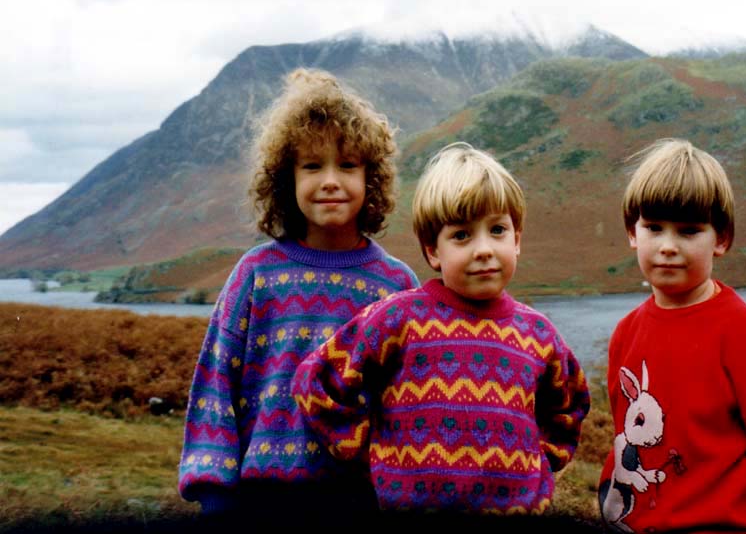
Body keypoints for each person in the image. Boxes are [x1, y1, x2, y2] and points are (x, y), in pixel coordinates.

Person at [292, 141, 591, 515]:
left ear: (516, 241)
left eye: (497, 230)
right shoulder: (397, 318)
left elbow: (571, 406)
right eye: (462, 235)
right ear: (433, 250)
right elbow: (316, 382)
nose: (483, 249)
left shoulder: (539, 334)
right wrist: (372, 453)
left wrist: (540, 463)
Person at [177, 69, 419, 520]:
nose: (330, 180)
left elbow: (409, 402)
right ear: (286, 178)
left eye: (347, 165)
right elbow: (215, 384)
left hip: (361, 503)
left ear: (372, 178)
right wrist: (214, 492)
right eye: (312, 165)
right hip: (260, 503)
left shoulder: (397, 286)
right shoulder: (255, 274)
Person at [597, 138, 746, 533]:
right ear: (633, 232)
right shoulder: (625, 333)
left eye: (688, 231)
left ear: (721, 239)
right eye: (653, 228)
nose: (667, 246)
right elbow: (624, 437)